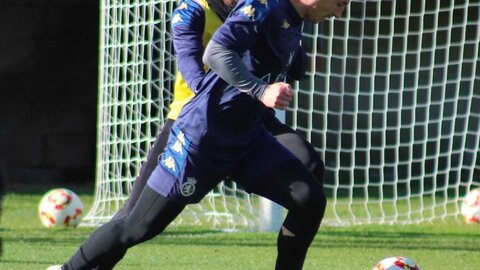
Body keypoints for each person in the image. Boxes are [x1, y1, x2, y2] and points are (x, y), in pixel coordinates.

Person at [48, 0, 349, 269]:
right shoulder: (260, 7)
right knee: (137, 226)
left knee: (309, 198)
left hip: (246, 138)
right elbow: (216, 51)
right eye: (339, 3)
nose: (339, 13)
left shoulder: (293, 20)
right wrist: (261, 90)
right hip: (202, 137)